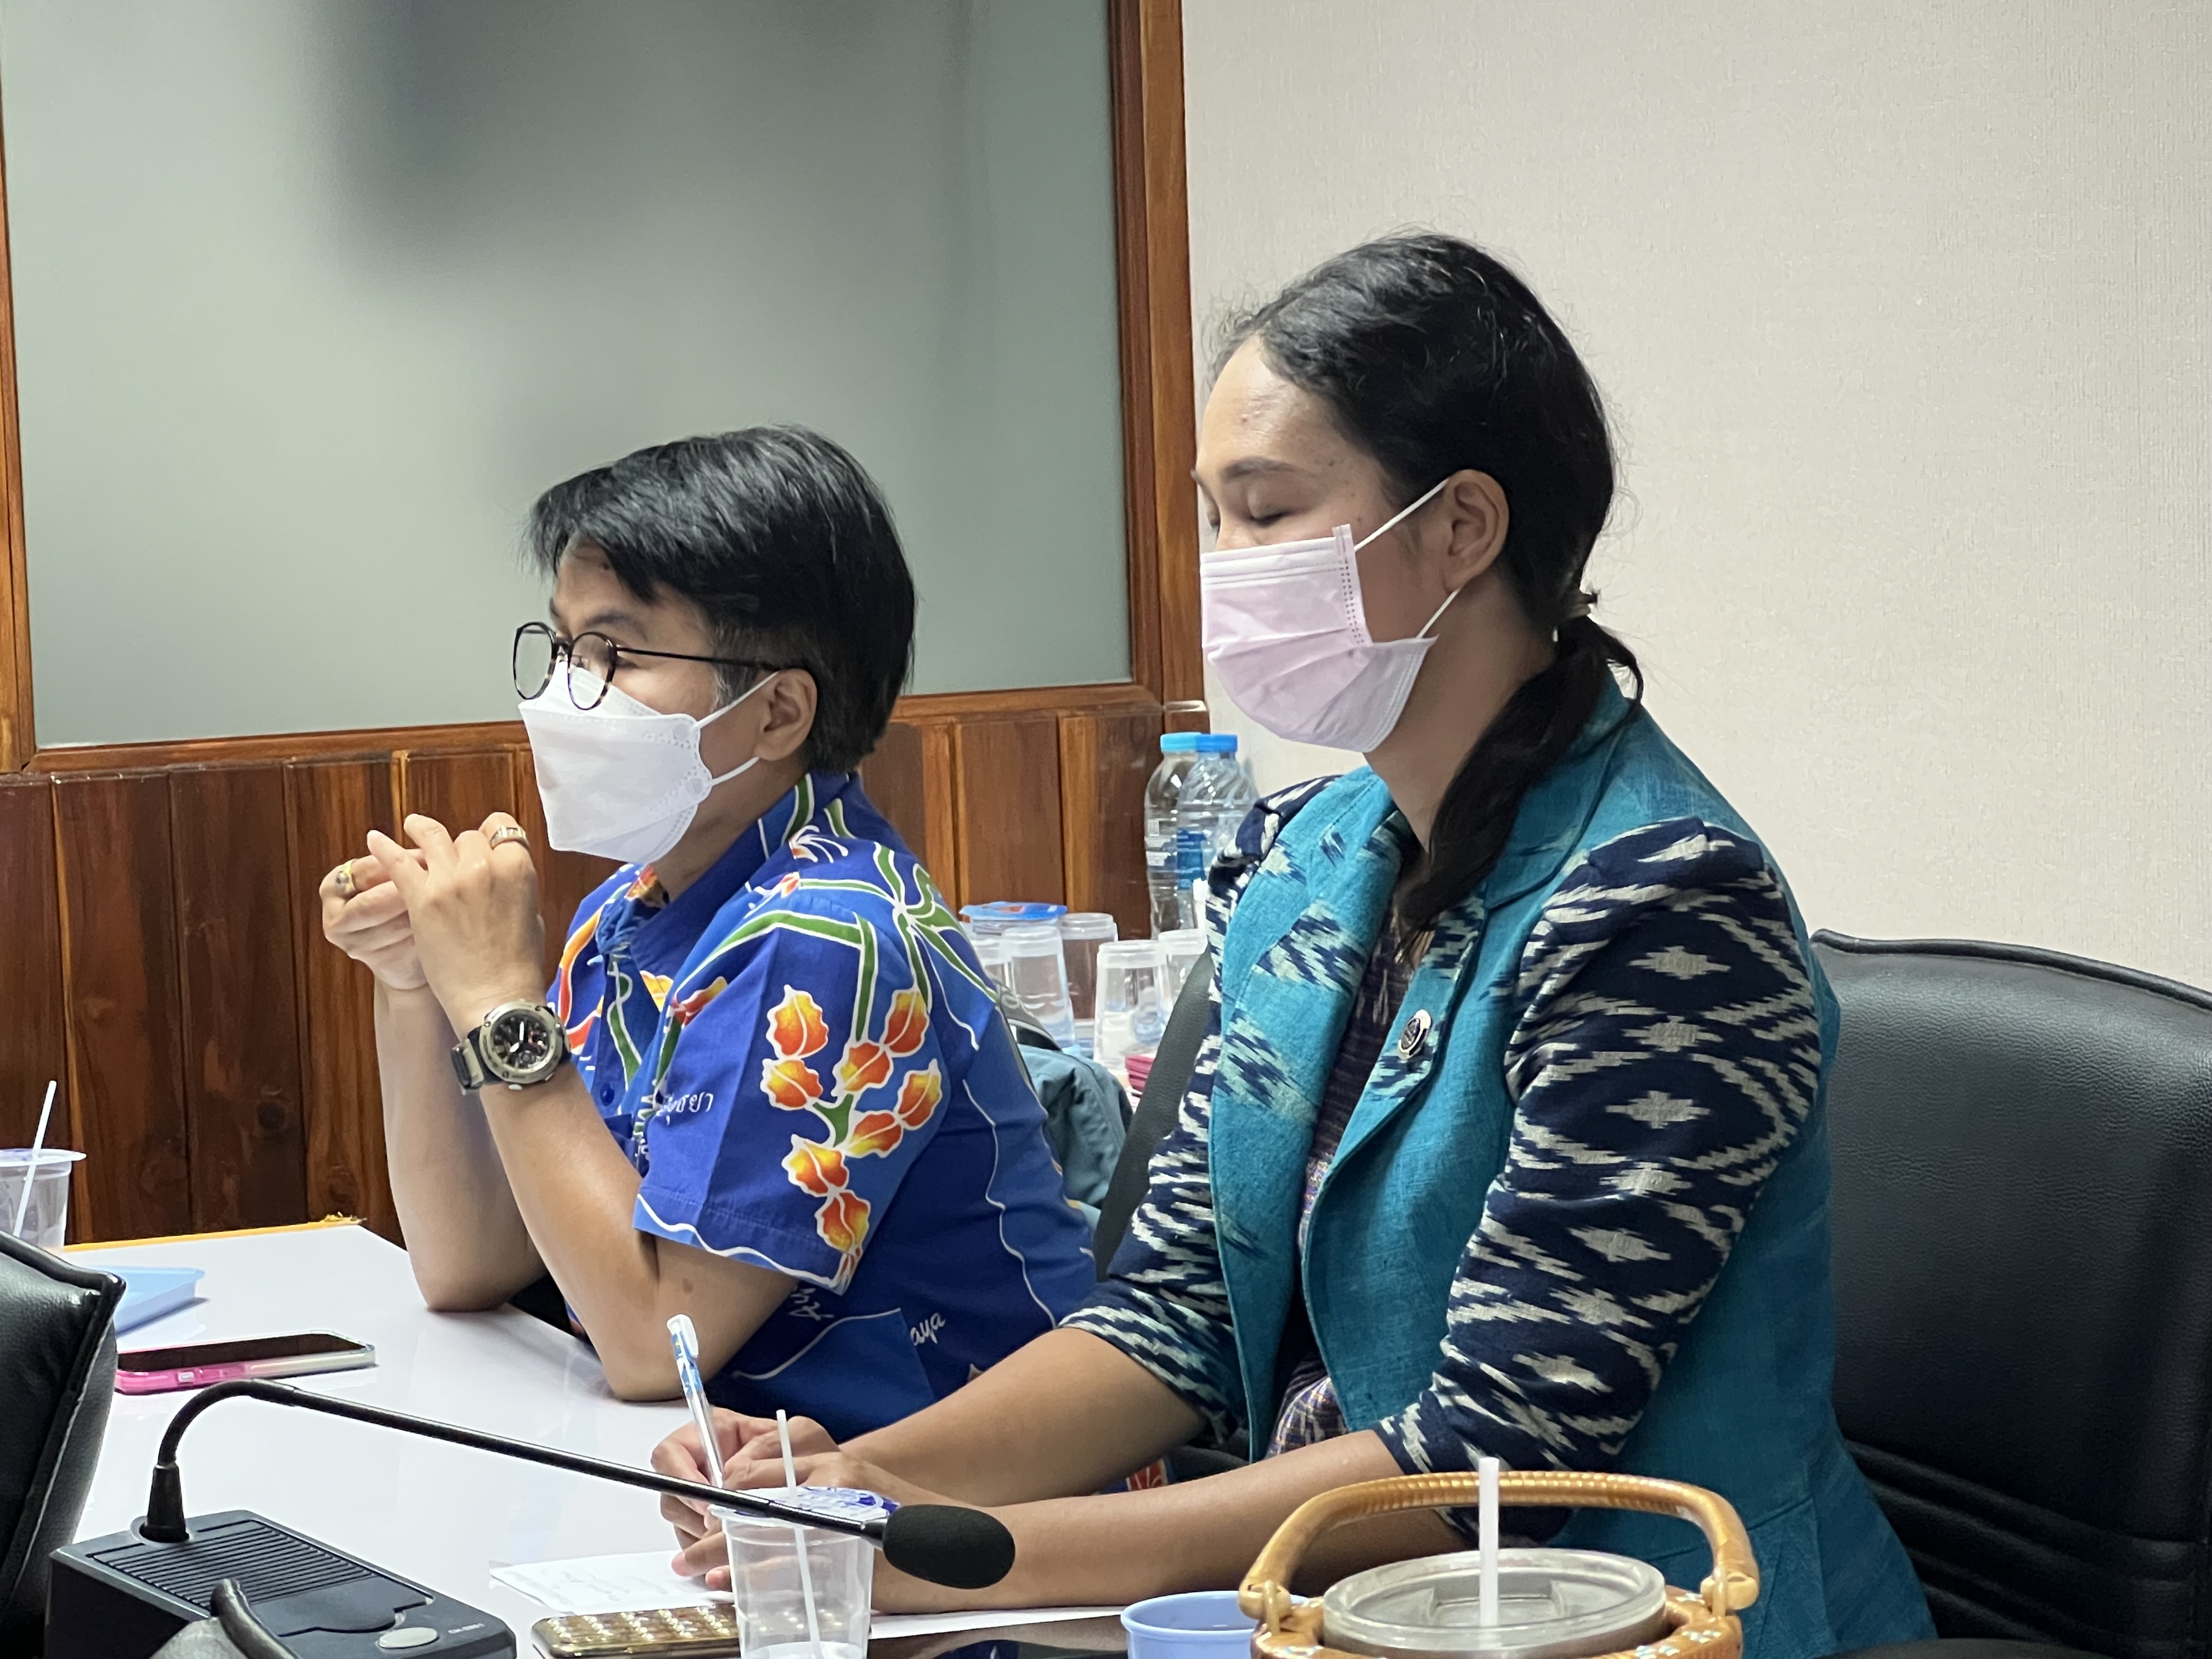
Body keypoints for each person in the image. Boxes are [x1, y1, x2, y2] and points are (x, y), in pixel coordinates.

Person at [649, 238, 1936, 1658]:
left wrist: (962, 1560)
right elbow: (1178, 1321)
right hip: (1343, 1618)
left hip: (1651, 1625)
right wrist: (869, 1486)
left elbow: (1487, 1463)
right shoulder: (1310, 857)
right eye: (1213, 517)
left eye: (1266, 512)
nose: (1225, 568)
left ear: (1461, 529)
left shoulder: (1664, 912)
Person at [317, 426, 1096, 1433]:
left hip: (958, 1527)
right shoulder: (631, 909)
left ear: (776, 715)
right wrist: (420, 984)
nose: (566, 692)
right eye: (560, 647)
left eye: (616, 653)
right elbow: (473, 1264)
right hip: (730, 1482)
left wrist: (502, 1002)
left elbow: (654, 1343)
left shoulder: (830, 940)